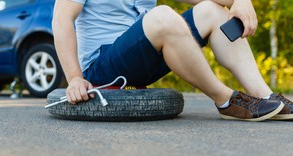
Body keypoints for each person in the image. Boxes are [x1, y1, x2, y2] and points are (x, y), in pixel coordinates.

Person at [52, 0, 293, 121]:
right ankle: (226, 100)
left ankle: (266, 96)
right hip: (102, 68)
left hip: (142, 60)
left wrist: (241, 0)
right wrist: (74, 78)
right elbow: (61, 19)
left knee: (212, 9)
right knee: (162, 16)